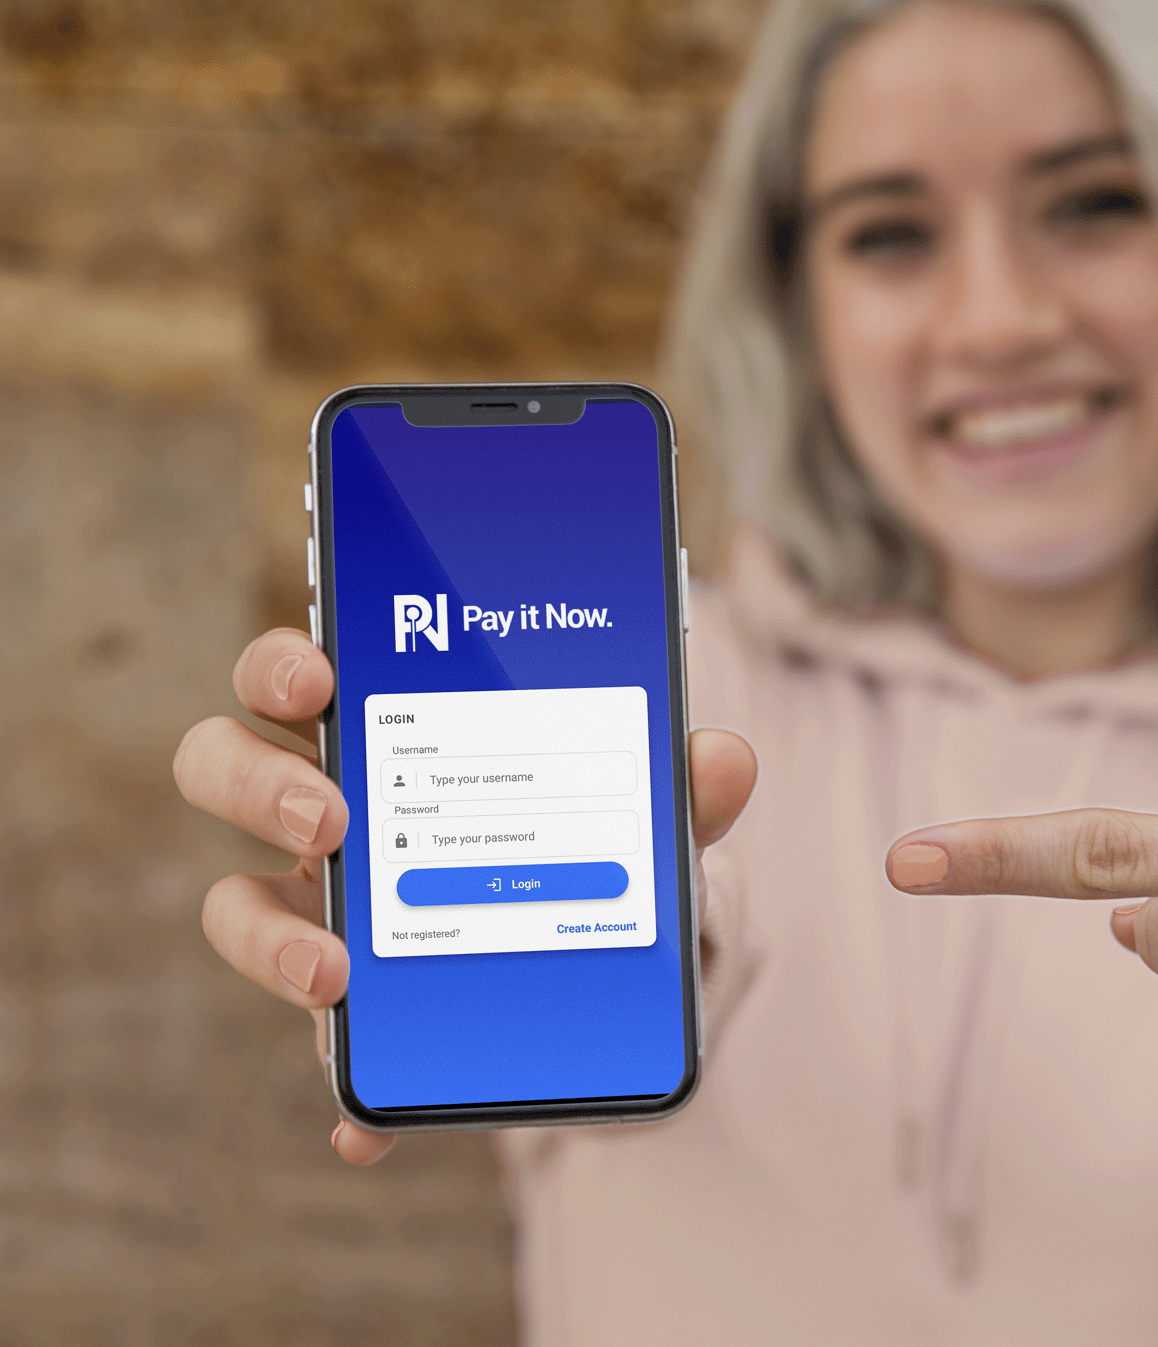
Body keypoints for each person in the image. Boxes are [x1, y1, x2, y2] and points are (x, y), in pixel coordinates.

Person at [173, 0, 1158, 1339]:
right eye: (891, 233)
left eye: (1096, 203)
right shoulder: (646, 655)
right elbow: (703, 917)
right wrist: (409, 895)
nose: (1000, 319)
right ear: (794, 299)